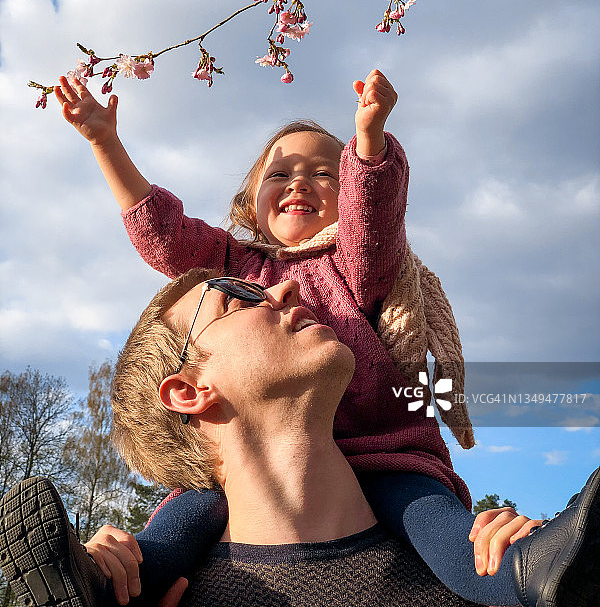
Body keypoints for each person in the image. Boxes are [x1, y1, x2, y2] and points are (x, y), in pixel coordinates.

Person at [53, 69, 482, 599]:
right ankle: (101, 586)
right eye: (280, 173)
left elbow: (375, 221)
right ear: (250, 203)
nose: (300, 182)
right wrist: (105, 143)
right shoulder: (235, 266)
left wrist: (369, 142)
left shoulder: (356, 261)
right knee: (178, 526)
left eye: (327, 173)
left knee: (450, 537)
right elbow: (163, 233)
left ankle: (532, 573)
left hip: (385, 455)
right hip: (259, 458)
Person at [1, 273, 598, 607]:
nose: (287, 288)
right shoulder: (171, 598)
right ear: (188, 390)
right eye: (239, 298)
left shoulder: (480, 574)